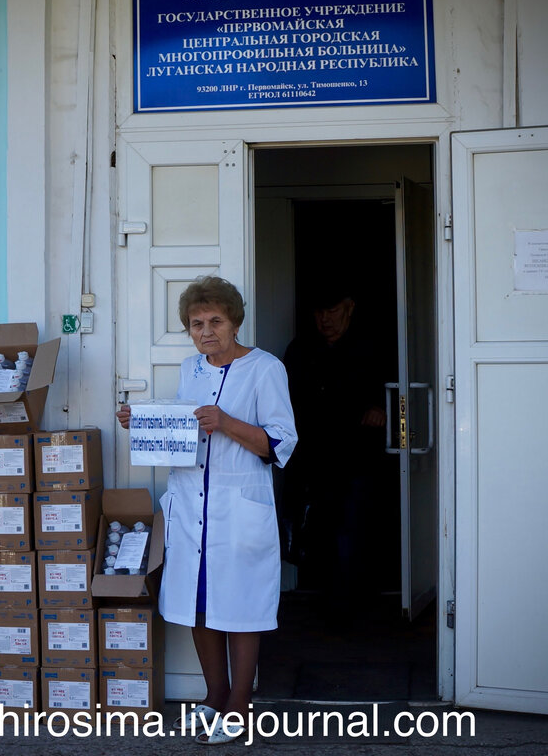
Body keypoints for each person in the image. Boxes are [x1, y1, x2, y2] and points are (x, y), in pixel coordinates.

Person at [117, 276, 297, 745]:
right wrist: (142, 424)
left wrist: (228, 423)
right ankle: (214, 695)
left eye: (215, 320)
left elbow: (281, 442)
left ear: (235, 322)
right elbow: (183, 433)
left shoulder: (265, 369)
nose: (206, 330)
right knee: (197, 605)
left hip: (239, 505)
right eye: (196, 323)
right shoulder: (191, 369)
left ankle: (240, 702)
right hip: (190, 499)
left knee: (240, 606)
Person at [282, 283, 392, 597]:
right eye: (319, 312)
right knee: (313, 534)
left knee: (353, 531)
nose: (324, 320)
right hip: (311, 459)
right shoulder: (300, 349)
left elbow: (396, 393)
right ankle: (321, 607)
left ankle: (350, 607)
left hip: (356, 458)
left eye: (332, 311)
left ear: (349, 308)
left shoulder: (372, 347)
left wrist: (380, 409)